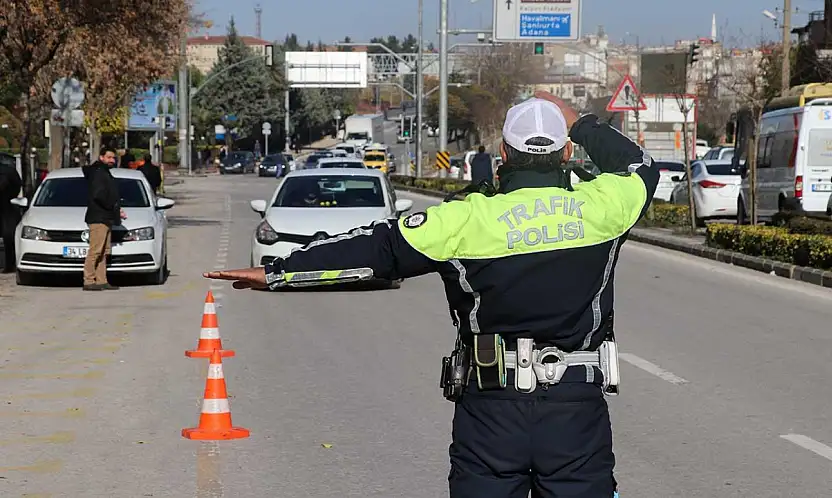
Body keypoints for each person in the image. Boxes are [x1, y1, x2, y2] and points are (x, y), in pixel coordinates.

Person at [204, 91, 660, 497]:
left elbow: (376, 249)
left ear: (502, 153)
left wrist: (278, 272)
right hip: (575, 412)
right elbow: (640, 166)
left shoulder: (462, 220)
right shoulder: (604, 206)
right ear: (566, 153)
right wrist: (579, 121)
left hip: (490, 412)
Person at [82, 146, 127, 291]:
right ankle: (89, 280)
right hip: (99, 217)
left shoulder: (104, 172)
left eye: (113, 158)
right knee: (95, 251)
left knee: (103, 251)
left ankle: (101, 280)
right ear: (101, 157)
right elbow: (99, 195)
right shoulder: (99, 173)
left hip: (106, 217)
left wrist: (116, 210)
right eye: (108, 157)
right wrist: (112, 206)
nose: (111, 160)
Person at [0, 154, 22, 273]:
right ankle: (10, 265)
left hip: (5, 206)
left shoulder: (8, 172)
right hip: (6, 205)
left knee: (9, 236)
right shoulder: (9, 171)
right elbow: (17, 186)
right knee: (9, 237)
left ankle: (9, 265)